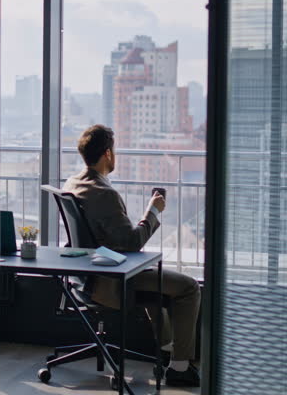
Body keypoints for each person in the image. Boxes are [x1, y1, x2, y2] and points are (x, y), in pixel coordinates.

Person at [63, 124, 201, 387]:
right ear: (107, 154)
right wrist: (153, 211)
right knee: (189, 288)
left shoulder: (74, 182)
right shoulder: (106, 194)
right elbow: (131, 242)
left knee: (154, 283)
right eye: (114, 150)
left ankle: (169, 351)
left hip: (86, 276)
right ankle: (180, 367)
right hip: (111, 282)